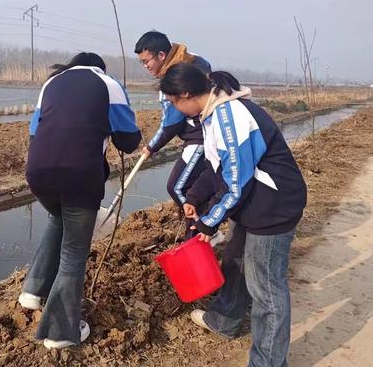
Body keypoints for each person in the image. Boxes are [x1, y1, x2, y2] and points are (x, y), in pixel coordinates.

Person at [160, 64, 307, 367]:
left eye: (174, 102)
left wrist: (208, 222)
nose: (176, 109)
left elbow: (237, 182)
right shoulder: (212, 114)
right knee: (236, 262)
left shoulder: (229, 116)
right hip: (254, 205)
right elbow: (219, 170)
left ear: (187, 94)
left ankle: (267, 362)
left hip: (272, 206)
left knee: (266, 289)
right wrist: (196, 198)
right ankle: (225, 320)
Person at [19, 52, 141, 350]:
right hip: (79, 177)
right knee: (74, 251)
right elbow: (128, 140)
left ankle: (32, 292)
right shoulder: (107, 83)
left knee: (57, 219)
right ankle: (60, 332)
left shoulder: (52, 83)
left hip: (38, 174)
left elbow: (36, 131)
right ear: (100, 67)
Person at [135, 31, 211, 237]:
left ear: (161, 55)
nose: (146, 66)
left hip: (200, 137)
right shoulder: (192, 61)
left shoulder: (176, 75)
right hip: (196, 137)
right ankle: (195, 233)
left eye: (146, 61)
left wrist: (151, 146)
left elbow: (172, 121)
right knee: (191, 189)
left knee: (177, 187)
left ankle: (205, 227)